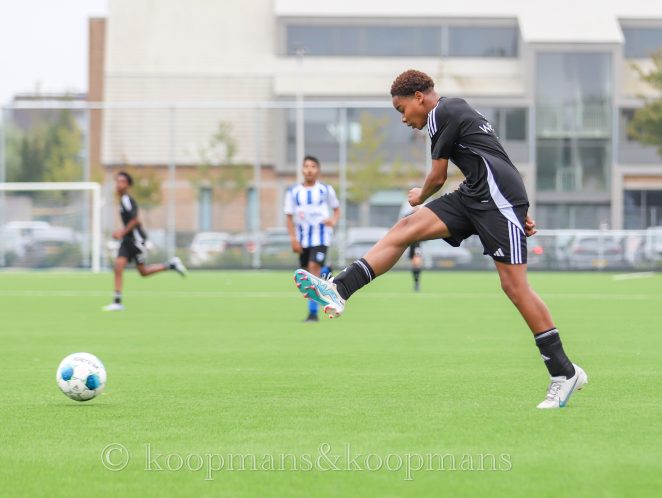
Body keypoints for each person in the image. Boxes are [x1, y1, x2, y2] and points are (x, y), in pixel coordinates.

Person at [294, 70, 587, 409]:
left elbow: (437, 177)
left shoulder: (442, 112)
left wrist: (421, 195)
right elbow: (495, 156)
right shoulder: (450, 111)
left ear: (419, 97)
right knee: (406, 229)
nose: (403, 119)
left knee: (514, 287)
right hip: (476, 193)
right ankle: (340, 288)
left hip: (497, 200)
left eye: (402, 109)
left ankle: (564, 372)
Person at [103, 171, 187, 311]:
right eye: (117, 181)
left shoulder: (127, 200)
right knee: (118, 267)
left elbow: (135, 220)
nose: (119, 184)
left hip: (136, 240)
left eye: (122, 181)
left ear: (128, 185)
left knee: (143, 272)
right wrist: (122, 233)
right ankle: (117, 302)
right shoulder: (122, 200)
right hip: (127, 240)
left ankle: (171, 265)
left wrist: (121, 232)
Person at [285, 155, 340, 322]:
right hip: (302, 238)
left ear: (318, 170)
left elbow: (336, 209)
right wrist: (293, 239)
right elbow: (288, 217)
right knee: (308, 274)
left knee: (312, 269)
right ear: (302, 170)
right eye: (306, 166)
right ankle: (327, 271)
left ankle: (313, 313)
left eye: (313, 166)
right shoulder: (293, 192)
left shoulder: (326, 189)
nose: (309, 170)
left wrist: (333, 220)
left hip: (321, 236)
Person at [400, 203, 424, 292]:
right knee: (414, 264)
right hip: (410, 243)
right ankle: (416, 282)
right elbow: (402, 225)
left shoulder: (423, 215)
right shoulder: (408, 215)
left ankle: (417, 283)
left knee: (417, 262)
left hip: (417, 244)